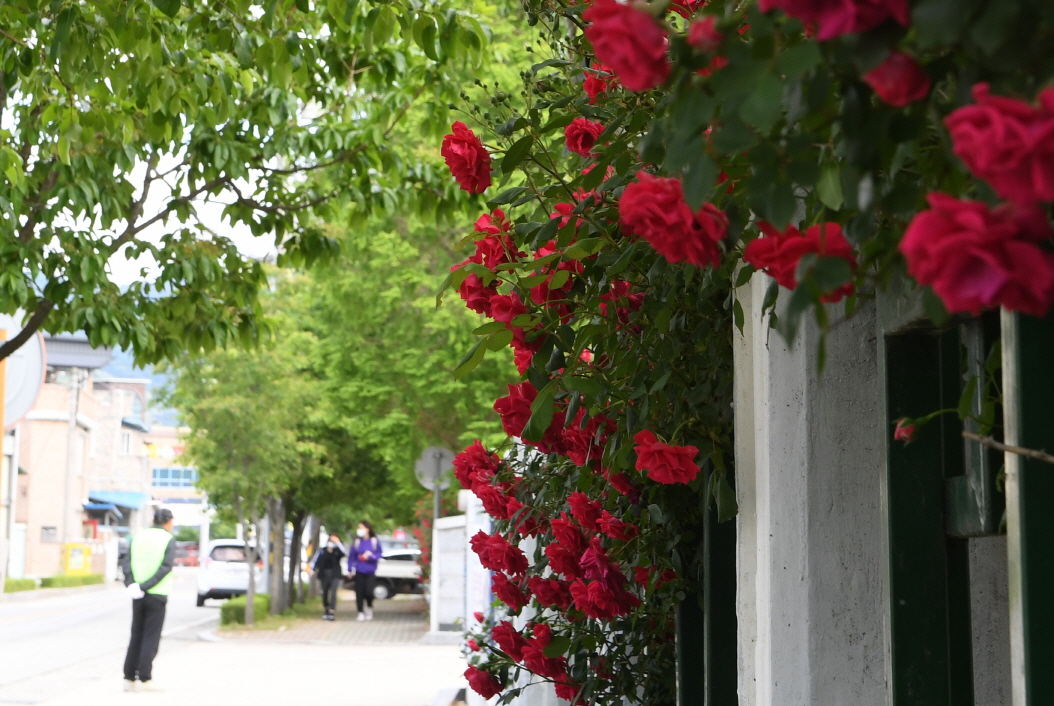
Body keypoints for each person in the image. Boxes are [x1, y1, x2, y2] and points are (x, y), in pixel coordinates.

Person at [120, 508, 177, 692]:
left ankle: (129, 678)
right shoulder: (168, 539)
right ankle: (145, 678)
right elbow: (165, 567)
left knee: (136, 635)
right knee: (150, 637)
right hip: (157, 594)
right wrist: (145, 586)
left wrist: (132, 584)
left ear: (153, 520)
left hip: (137, 594)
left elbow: (127, 562)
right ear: (169, 522)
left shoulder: (138, 536)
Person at [348, 520, 382, 621]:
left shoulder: (374, 541)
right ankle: (360, 611)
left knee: (369, 592)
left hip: (370, 571)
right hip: (359, 570)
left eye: (361, 528)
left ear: (368, 529)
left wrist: (370, 557)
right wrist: (350, 569)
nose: (359, 530)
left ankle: (369, 606)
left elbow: (379, 554)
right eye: (359, 528)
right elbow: (352, 556)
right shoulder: (357, 542)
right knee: (359, 592)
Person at [310, 533, 346, 621]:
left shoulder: (337, 551)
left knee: (333, 593)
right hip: (324, 574)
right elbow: (316, 561)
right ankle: (326, 609)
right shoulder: (322, 551)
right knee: (324, 593)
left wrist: (338, 543)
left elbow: (345, 553)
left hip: (335, 574)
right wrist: (312, 569)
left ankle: (332, 611)